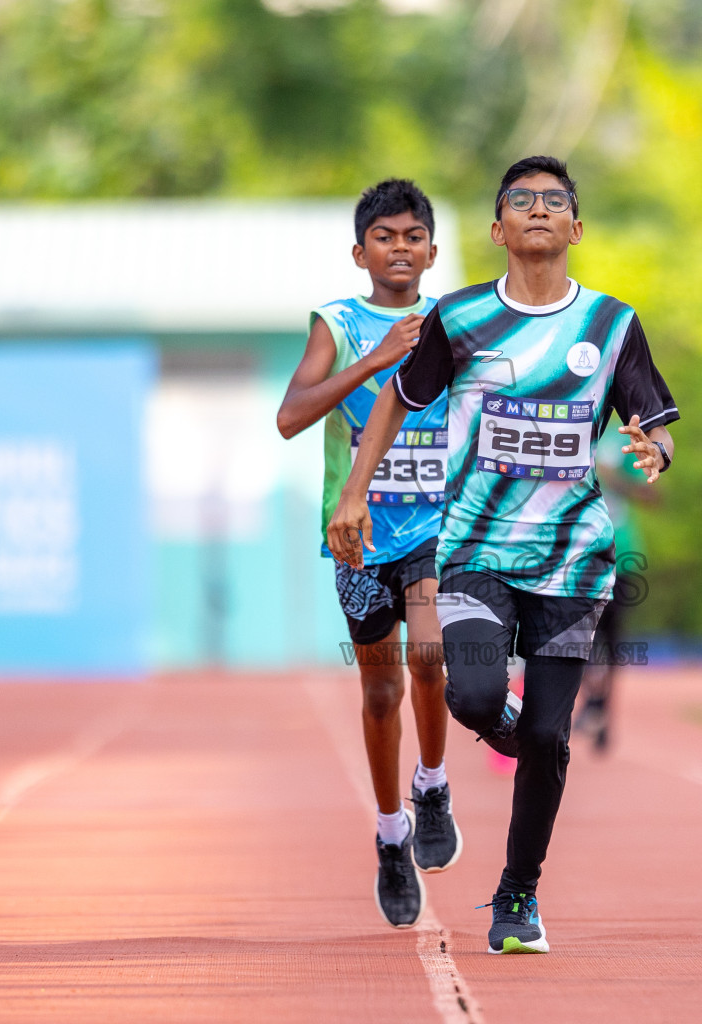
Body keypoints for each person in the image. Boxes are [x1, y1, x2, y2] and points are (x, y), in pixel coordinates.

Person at [328, 155, 679, 955]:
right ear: (498, 230)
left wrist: (653, 448)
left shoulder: (612, 325)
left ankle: (517, 897)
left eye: (555, 201)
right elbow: (396, 398)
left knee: (551, 742)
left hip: (573, 561)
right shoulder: (459, 320)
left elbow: (651, 419)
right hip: (478, 550)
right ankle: (513, 728)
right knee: (475, 696)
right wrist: (355, 492)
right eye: (520, 201)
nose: (538, 210)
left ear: (577, 228)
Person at [276, 179, 460, 930]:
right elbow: (291, 416)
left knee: (433, 657)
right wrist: (377, 356)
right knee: (381, 693)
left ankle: (435, 784)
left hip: (436, 527)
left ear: (433, 250)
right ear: (360, 251)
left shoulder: (455, 323)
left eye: (413, 235)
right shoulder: (338, 322)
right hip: (358, 534)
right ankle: (391, 835)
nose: (400, 248)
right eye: (384, 236)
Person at [574, 438, 655, 752]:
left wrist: (618, 478)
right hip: (580, 553)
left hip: (622, 552)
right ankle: (592, 701)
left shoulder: (621, 440)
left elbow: (651, 493)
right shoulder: (573, 425)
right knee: (579, 637)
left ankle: (604, 712)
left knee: (612, 641)